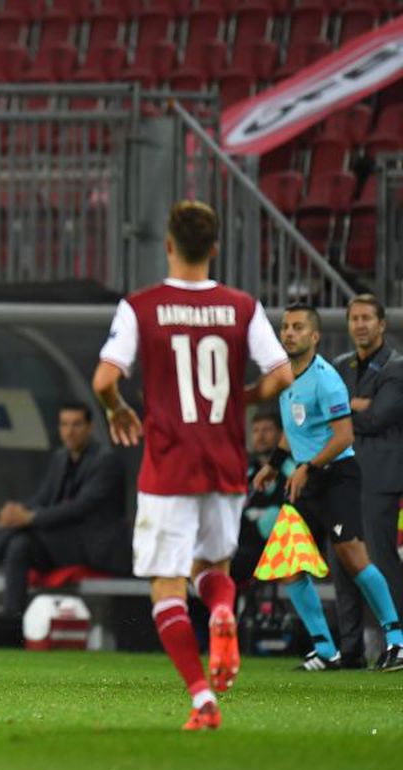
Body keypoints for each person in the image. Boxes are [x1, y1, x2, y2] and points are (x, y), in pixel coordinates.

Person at [92, 199, 294, 730]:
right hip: (225, 461)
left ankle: (203, 698)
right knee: (214, 571)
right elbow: (280, 375)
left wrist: (118, 410)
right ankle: (224, 612)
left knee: (166, 584)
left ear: (168, 245)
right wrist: (243, 399)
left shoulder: (141, 307)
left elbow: (104, 380)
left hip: (168, 465)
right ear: (215, 248)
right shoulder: (241, 307)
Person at [252, 305, 403, 672]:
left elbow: (344, 436)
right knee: (290, 563)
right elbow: (295, 428)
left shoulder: (326, 379)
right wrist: (273, 465)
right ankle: (325, 649)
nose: (289, 333)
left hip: (336, 477)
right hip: (307, 479)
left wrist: (308, 467)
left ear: (314, 336)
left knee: (354, 559)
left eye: (298, 327)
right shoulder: (285, 377)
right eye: (285, 327)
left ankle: (397, 640)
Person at [0, 402, 130, 637]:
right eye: (64, 424)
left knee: (22, 531)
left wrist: (29, 517)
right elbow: (43, 498)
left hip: (93, 548)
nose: (69, 431)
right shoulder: (60, 458)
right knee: (19, 543)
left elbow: (80, 508)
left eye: (77, 424)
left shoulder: (106, 461)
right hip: (62, 543)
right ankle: (13, 618)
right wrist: (17, 512)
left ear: (89, 427)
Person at [334, 293, 403, 666]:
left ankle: (399, 643)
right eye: (354, 318)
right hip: (344, 476)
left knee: (380, 560)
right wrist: (359, 405)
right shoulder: (340, 366)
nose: (359, 324)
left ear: (382, 324)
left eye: (366, 318)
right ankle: (350, 651)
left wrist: (342, 407)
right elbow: (322, 411)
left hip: (380, 476)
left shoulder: (397, 367)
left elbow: (379, 418)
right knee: (343, 559)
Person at [233, 411, 295, 583]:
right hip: (241, 544)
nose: (260, 436)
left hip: (277, 548)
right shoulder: (246, 473)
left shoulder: (293, 470)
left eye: (267, 430)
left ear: (281, 435)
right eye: (255, 431)